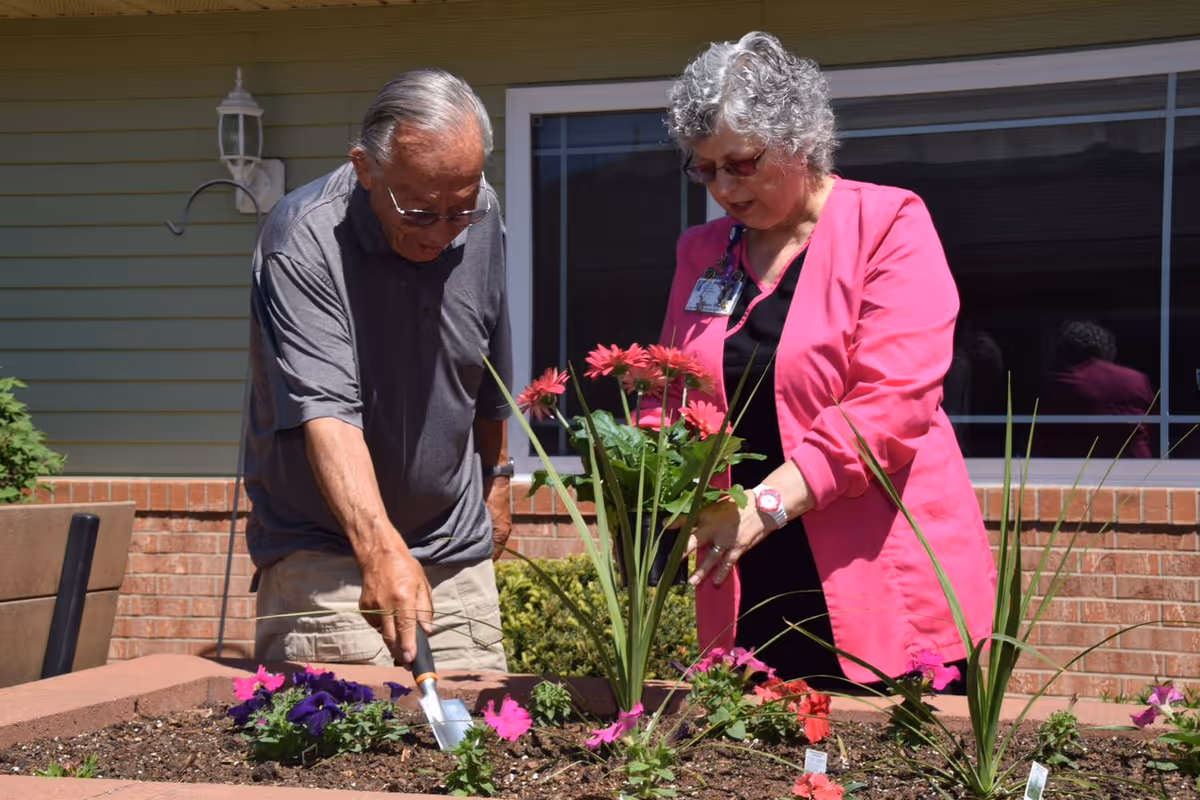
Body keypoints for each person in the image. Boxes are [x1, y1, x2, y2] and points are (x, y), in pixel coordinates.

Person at [652, 32, 997, 690]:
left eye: (743, 162)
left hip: (876, 571)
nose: (724, 187)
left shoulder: (890, 224)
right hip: (744, 571)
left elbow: (891, 406)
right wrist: (654, 478)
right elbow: (671, 388)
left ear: (798, 141)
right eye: (705, 168)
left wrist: (769, 503)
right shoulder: (702, 252)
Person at [243, 69, 513, 673]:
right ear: (365, 168)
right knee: (348, 751)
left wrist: (497, 477)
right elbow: (326, 412)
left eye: (459, 209)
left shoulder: (483, 212)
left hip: (453, 548)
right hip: (329, 554)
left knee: (477, 745)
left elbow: (487, 354)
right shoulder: (303, 239)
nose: (443, 232)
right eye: (419, 210)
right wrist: (378, 548)